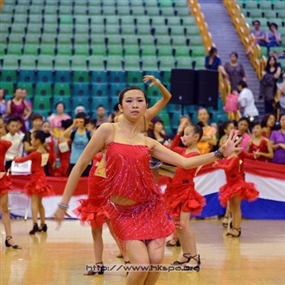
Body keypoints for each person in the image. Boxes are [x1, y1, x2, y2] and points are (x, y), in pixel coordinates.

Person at [54, 82, 240, 285]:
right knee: (141, 264)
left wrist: (219, 153)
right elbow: (81, 164)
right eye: (129, 101)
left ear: (145, 107)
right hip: (123, 211)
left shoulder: (148, 142)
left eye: (140, 101)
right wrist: (63, 204)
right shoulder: (108, 130)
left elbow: (185, 162)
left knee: (156, 260)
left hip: (150, 208)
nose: (135, 105)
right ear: (120, 107)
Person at [164, 124, 205, 271]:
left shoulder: (195, 155)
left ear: (195, 137)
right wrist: (179, 131)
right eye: (184, 134)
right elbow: (171, 149)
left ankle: (194, 257)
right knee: (177, 224)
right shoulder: (183, 151)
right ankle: (186, 254)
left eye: (187, 134)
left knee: (185, 224)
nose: (183, 137)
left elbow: (179, 159)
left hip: (186, 192)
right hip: (175, 190)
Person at [213, 137, 259, 237]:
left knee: (236, 207)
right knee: (233, 207)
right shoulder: (228, 157)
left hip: (237, 184)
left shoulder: (235, 158)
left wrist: (218, 166)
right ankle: (233, 227)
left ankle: (237, 229)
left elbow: (228, 167)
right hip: (230, 184)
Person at [14, 130, 54, 234]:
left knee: (34, 202)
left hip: (36, 178)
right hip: (43, 178)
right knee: (40, 203)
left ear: (37, 141)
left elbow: (22, 160)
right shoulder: (45, 152)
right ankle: (43, 224)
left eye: (32, 139)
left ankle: (35, 224)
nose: (31, 141)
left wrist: (15, 159)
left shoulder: (35, 154)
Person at [0, 118, 21, 249]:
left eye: (1, 127)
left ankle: (9, 237)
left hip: (1, 177)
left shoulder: (5, 144)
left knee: (5, 208)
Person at [63, 112, 92, 177]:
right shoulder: (73, 133)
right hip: (74, 161)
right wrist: (73, 125)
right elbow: (64, 135)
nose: (81, 122)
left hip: (86, 162)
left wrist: (91, 129)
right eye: (79, 119)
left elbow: (97, 138)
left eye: (82, 120)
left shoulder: (88, 133)